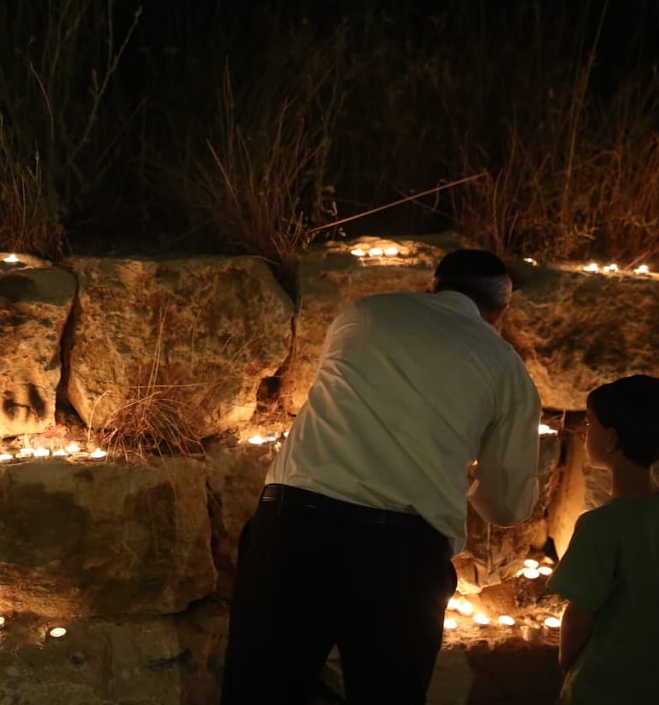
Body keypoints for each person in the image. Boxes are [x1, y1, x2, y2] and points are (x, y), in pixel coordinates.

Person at [221, 248, 542, 705]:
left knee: (259, 692)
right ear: (502, 311)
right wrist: (461, 474)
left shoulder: (366, 315)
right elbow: (508, 507)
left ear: (433, 285)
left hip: (295, 527)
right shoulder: (509, 370)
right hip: (402, 559)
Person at [548, 375, 659, 704]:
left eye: (590, 423)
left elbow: (579, 615)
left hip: (608, 684)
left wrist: (568, 663)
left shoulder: (599, 527)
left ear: (611, 439)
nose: (585, 433)